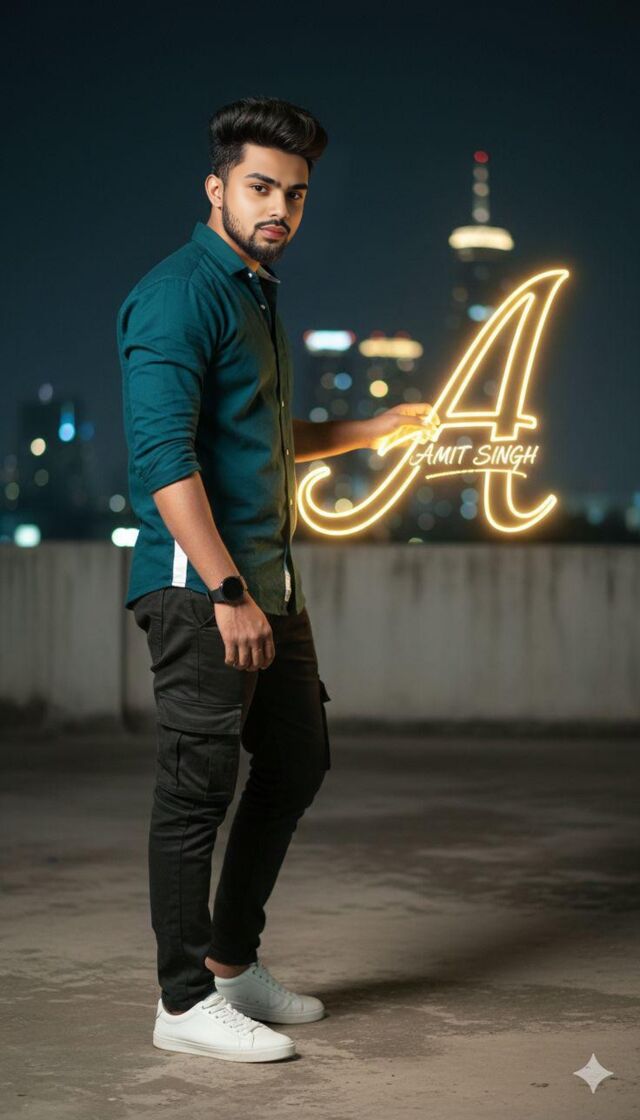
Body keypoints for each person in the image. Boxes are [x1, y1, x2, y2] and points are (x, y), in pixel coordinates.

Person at [117, 95, 439, 1063]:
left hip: (267, 583)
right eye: (261, 188)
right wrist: (226, 594)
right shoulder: (180, 293)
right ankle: (182, 1004)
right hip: (202, 588)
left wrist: (371, 431)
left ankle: (229, 964)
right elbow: (164, 460)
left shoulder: (254, 293)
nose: (280, 209)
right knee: (195, 792)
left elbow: (263, 435)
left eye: (295, 194)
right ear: (215, 188)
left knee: (297, 762)